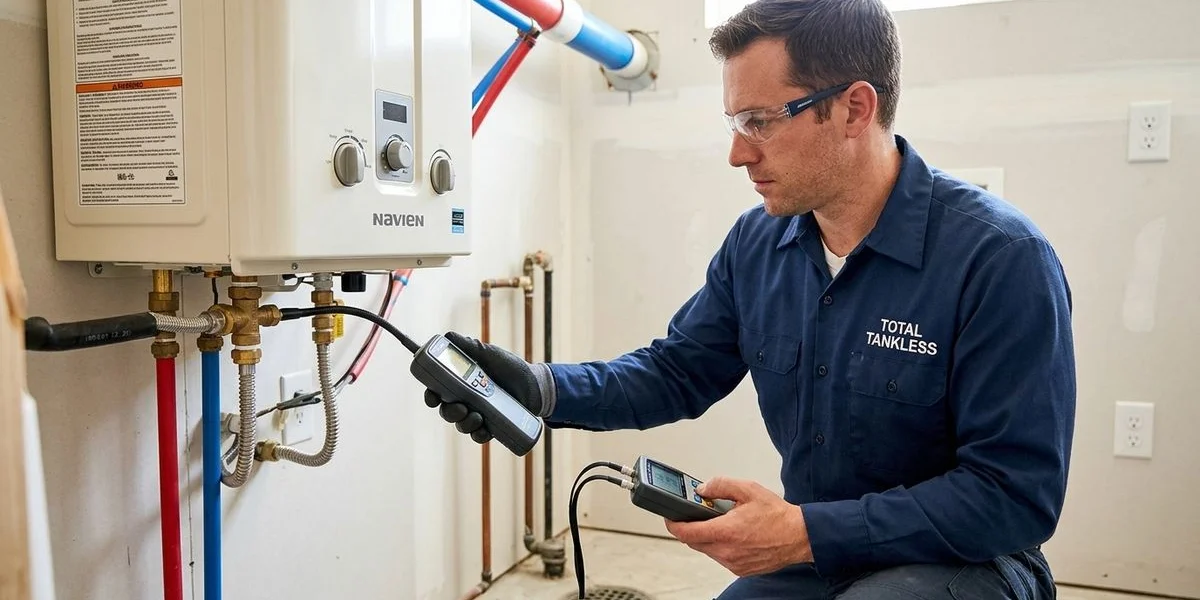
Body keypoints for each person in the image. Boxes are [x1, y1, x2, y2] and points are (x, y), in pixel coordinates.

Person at [423, 0, 1076, 598]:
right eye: (736, 121)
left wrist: (802, 533)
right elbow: (678, 371)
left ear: (854, 108)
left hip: (969, 563)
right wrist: (543, 389)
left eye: (760, 121)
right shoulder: (758, 245)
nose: (738, 152)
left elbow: (1013, 497)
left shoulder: (1001, 261)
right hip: (822, 554)